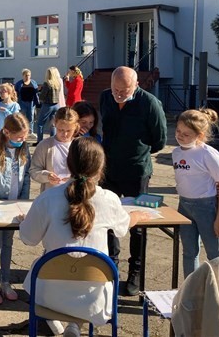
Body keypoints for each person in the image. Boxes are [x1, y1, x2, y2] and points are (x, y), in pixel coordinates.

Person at [19, 137, 152, 337]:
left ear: (68, 164)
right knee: (85, 272)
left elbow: (28, 239)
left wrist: (25, 221)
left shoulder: (47, 198)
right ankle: (75, 325)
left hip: (50, 295)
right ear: (100, 168)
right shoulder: (108, 199)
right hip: (94, 299)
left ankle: (59, 321)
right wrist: (136, 216)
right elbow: (123, 227)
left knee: (42, 267)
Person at [99, 66, 167, 296]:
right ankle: (111, 267)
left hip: (137, 172)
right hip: (108, 170)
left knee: (138, 223)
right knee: (108, 219)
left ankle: (135, 271)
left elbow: (159, 140)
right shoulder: (105, 97)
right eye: (115, 89)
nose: (118, 94)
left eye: (124, 90)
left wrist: (137, 151)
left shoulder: (149, 103)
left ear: (136, 85)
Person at [172, 108, 219, 278]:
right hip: (184, 206)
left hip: (206, 207)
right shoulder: (176, 152)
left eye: (186, 134)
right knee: (189, 252)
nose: (180, 136)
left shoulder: (208, 154)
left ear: (200, 135)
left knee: (215, 254)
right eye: (178, 131)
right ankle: (191, 287)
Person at [0, 113, 30, 305]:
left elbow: (26, 177)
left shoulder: (24, 149)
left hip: (15, 205)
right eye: (19, 137)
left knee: (8, 244)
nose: (22, 140)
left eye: (24, 137)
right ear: (7, 132)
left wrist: (23, 203)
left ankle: (5, 281)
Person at [30, 107, 79, 193]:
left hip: (74, 194)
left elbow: (88, 173)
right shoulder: (44, 145)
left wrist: (74, 178)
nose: (65, 134)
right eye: (61, 130)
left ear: (75, 127)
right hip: (51, 194)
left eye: (69, 130)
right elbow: (34, 170)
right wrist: (47, 176)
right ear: (55, 124)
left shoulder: (79, 146)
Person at [35, 67, 62, 145]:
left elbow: (42, 97)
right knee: (53, 124)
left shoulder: (47, 83)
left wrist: (39, 92)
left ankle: (40, 141)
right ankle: (53, 141)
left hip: (48, 105)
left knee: (40, 123)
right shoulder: (58, 83)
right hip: (56, 105)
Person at [15, 69, 39, 137]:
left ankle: (30, 132)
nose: (27, 77)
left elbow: (36, 92)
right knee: (21, 117)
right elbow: (15, 93)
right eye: (26, 75)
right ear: (23, 76)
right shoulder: (19, 83)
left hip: (31, 103)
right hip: (22, 102)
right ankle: (21, 131)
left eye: (29, 75)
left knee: (31, 118)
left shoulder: (33, 82)